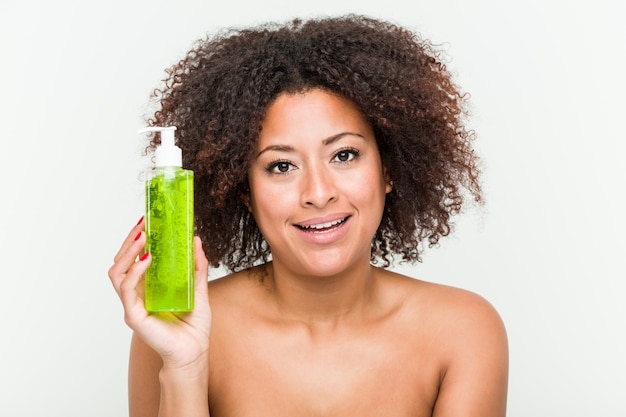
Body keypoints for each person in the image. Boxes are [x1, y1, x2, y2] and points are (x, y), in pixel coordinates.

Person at [109, 14, 508, 417]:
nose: (318, 194)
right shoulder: (173, 328)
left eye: (344, 155)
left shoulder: (463, 332)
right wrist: (185, 367)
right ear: (244, 190)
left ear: (388, 169)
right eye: (281, 166)